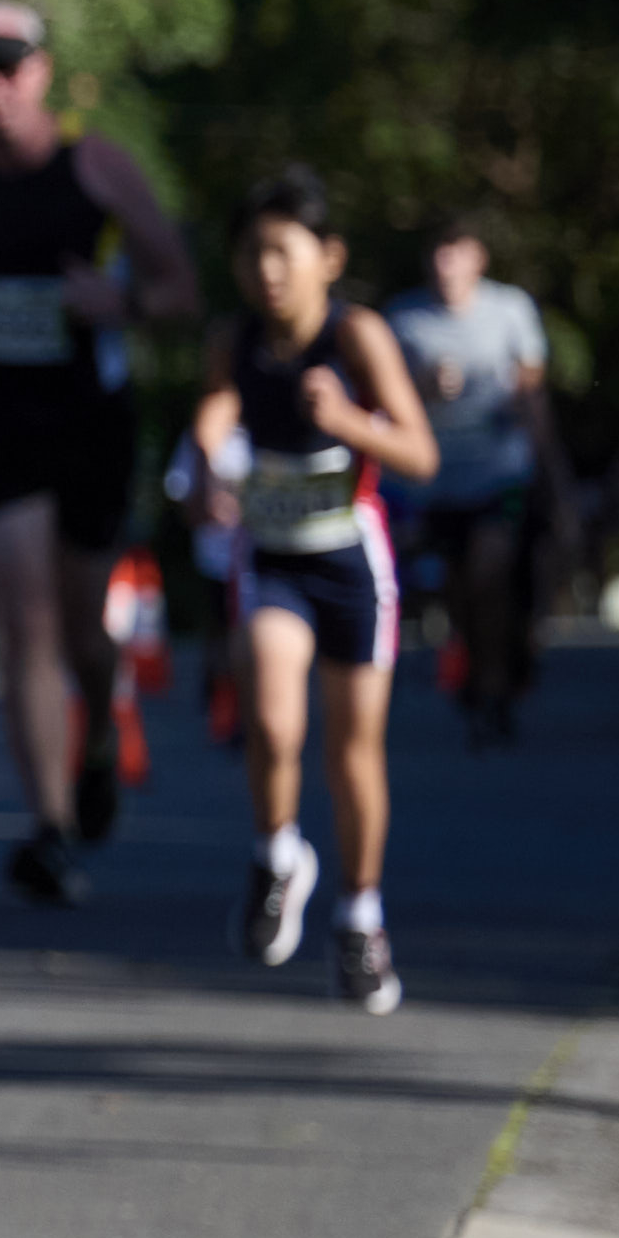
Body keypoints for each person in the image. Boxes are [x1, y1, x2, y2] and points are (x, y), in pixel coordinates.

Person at [0, 0, 200, 907]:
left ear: (41, 70)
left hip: (86, 420)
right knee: (20, 617)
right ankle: (49, 826)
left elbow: (178, 287)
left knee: (80, 624)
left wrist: (122, 306)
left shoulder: (95, 167)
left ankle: (97, 733)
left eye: (9, 65)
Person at [184, 171, 437, 1014]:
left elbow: (418, 454)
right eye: (251, 253)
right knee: (267, 717)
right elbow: (215, 413)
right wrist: (203, 468)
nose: (267, 272)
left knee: (350, 753)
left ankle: (360, 918)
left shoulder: (355, 336)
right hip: (272, 559)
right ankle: (275, 856)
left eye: (283, 252)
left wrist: (348, 421)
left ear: (327, 258)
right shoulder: (236, 341)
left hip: (348, 564)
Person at [388, 220, 554, 748]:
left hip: (500, 472)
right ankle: (484, 675)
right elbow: (384, 396)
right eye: (437, 250)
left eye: (456, 251)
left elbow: (533, 393)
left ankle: (497, 681)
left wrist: (549, 465)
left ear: (478, 257)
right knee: (459, 592)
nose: (446, 263)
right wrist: (423, 386)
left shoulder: (510, 310)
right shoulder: (404, 319)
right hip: (435, 481)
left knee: (492, 572)